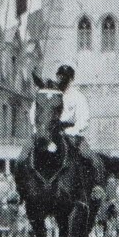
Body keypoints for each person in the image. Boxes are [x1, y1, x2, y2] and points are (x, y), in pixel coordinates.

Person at [30, 65, 106, 194]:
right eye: (59, 76)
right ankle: (21, 189)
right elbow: (34, 112)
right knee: (24, 155)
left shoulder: (78, 97)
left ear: (71, 79)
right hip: (48, 133)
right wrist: (37, 128)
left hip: (71, 133)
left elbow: (84, 119)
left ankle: (97, 187)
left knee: (90, 156)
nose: (61, 79)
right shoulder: (47, 92)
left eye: (65, 77)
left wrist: (73, 131)